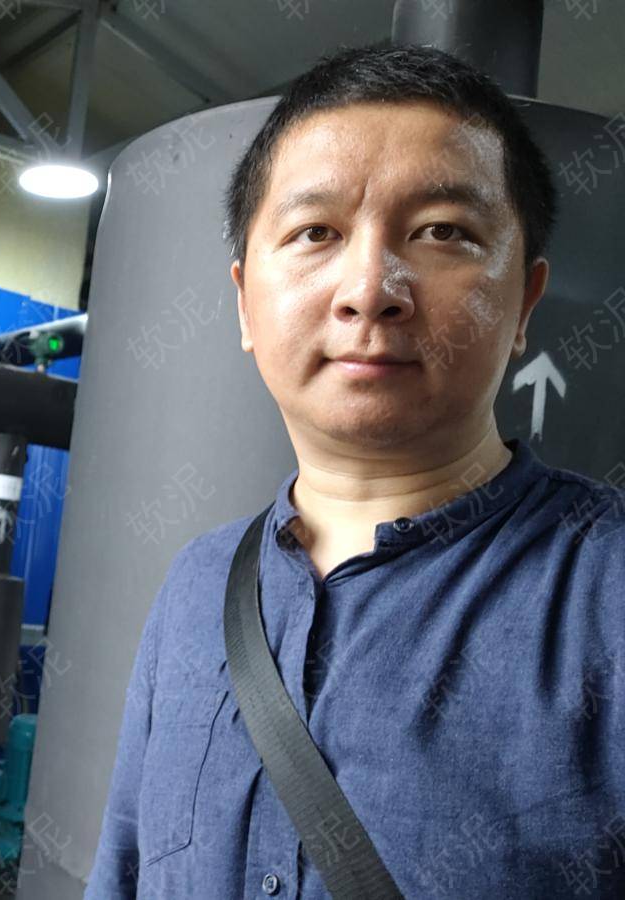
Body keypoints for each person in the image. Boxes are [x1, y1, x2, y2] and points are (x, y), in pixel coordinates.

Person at [85, 42, 625, 898]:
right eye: (316, 233)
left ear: (524, 301)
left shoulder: (605, 594)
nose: (370, 288)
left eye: (442, 231)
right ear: (244, 302)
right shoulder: (197, 586)